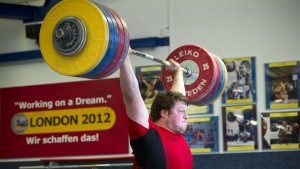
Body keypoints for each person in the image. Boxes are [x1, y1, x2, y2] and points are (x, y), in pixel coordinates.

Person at [119, 47, 193, 169]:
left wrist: (178, 72)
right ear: (164, 113)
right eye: (181, 112)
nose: (186, 116)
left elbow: (178, 99)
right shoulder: (147, 135)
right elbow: (131, 96)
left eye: (185, 112)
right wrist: (123, 58)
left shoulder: (178, 136)